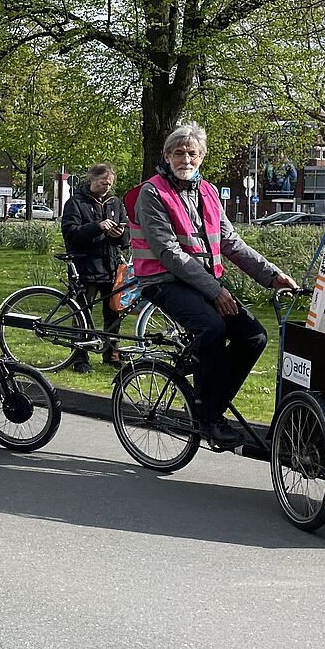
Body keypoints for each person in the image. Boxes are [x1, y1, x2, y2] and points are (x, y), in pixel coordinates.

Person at [126, 123, 299, 448]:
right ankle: (207, 418)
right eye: (179, 153)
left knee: (254, 337)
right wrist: (215, 291)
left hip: (203, 282)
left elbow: (231, 243)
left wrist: (273, 276)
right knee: (213, 329)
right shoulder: (152, 192)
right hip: (162, 280)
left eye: (192, 153)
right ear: (166, 155)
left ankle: (211, 401)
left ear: (202, 157)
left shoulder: (208, 192)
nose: (186, 159)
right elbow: (169, 253)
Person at [61, 163, 130, 372]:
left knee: (114, 312)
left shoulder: (115, 203)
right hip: (85, 266)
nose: (106, 187)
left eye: (109, 184)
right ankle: (80, 358)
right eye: (102, 182)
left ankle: (112, 354)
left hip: (110, 267)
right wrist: (97, 226)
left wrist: (121, 236)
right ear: (92, 179)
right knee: (82, 313)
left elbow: (126, 238)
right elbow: (70, 234)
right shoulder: (75, 203)